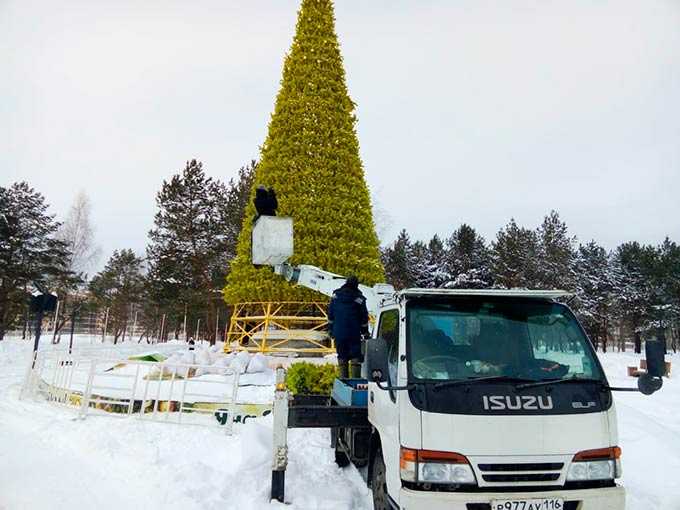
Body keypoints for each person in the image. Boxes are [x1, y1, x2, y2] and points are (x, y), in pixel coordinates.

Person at [328, 275, 369, 379]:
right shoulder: (359, 299)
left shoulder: (335, 296)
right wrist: (365, 332)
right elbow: (364, 317)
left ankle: (344, 382)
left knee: (342, 356)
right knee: (355, 356)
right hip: (353, 333)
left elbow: (330, 314)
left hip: (339, 333)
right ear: (356, 285)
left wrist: (331, 330)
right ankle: (355, 382)